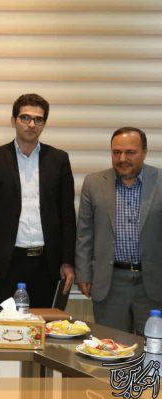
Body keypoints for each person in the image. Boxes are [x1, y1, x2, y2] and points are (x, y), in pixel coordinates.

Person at [0, 93, 76, 312]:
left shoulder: (58, 159)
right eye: (25, 118)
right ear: (14, 121)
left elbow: (67, 215)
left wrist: (68, 261)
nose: (32, 124)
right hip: (6, 262)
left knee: (43, 326)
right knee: (4, 325)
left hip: (47, 263)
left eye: (38, 119)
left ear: (44, 124)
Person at [76, 127, 162, 335]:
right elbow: (84, 234)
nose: (122, 159)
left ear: (144, 152)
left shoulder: (159, 181)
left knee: (154, 347)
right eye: (116, 152)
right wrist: (84, 274)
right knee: (110, 346)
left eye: (130, 152)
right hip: (110, 284)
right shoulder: (93, 183)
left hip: (153, 283)